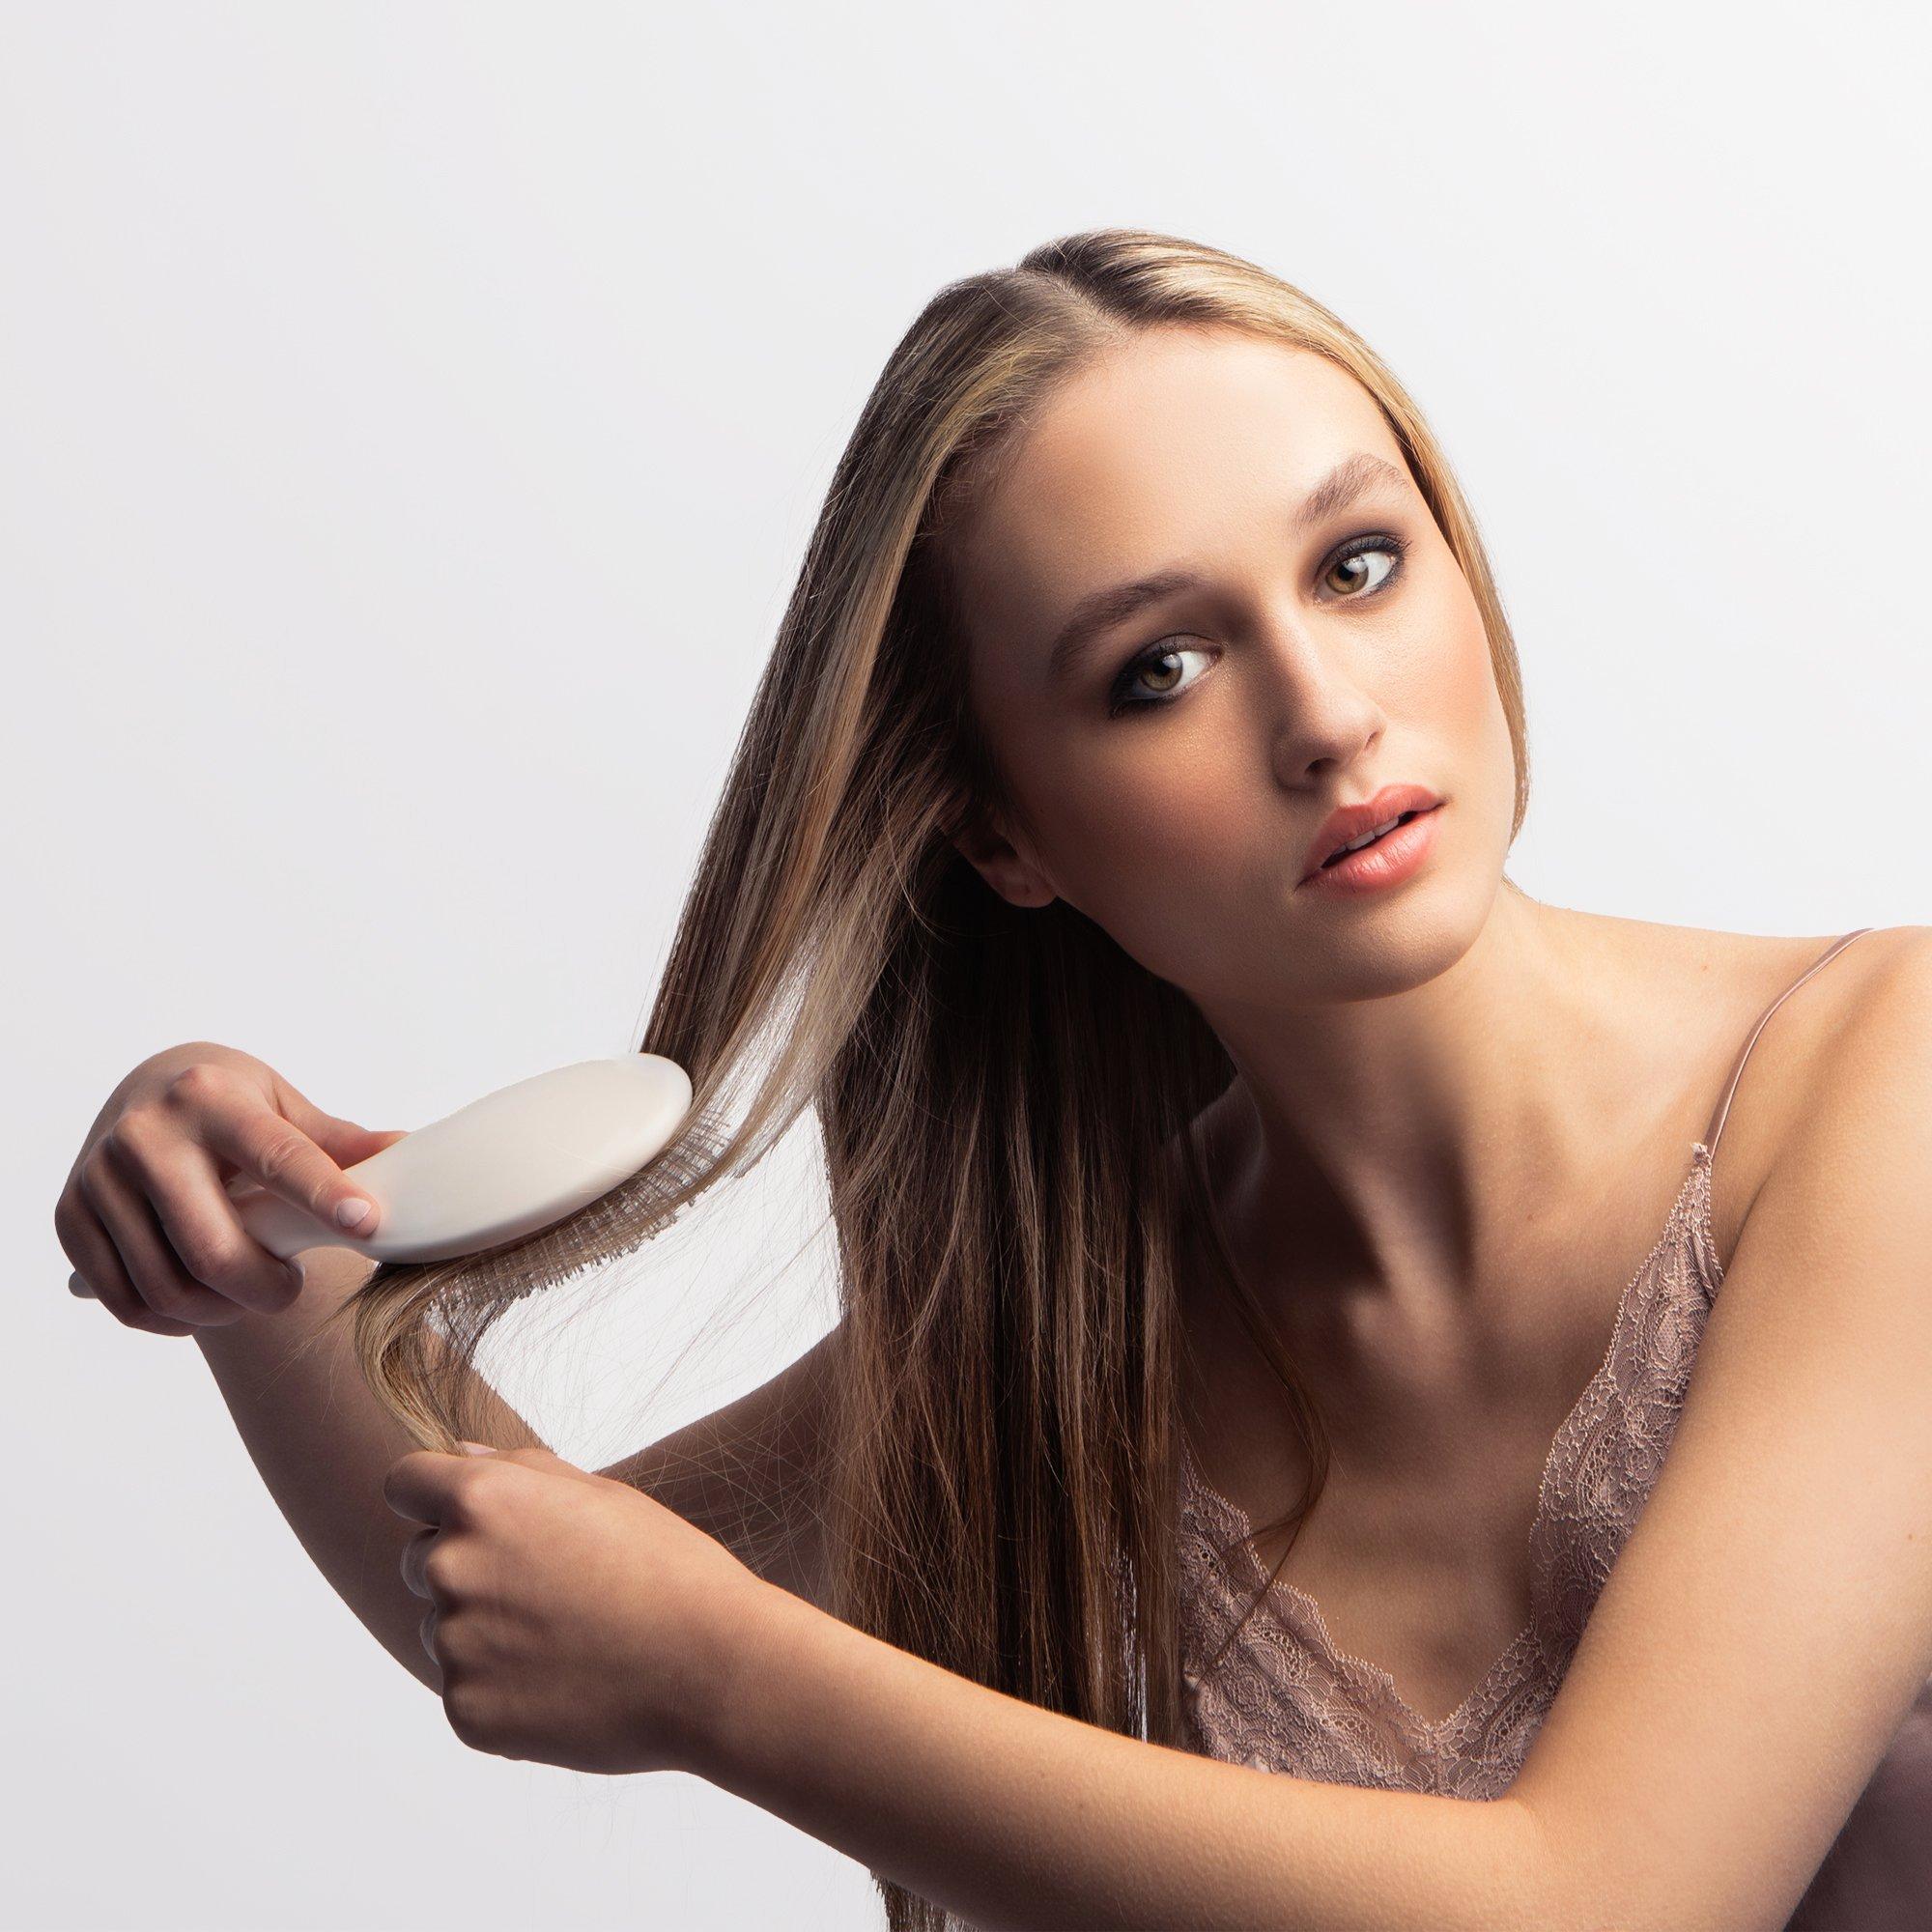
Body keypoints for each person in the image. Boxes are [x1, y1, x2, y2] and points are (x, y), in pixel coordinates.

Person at [61, 229, 1932, 1930]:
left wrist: (727, 1686)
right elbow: (519, 1590)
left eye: (1358, 565)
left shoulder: (1882, 1078)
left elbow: (1615, 1901)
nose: (1327, 714)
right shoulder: (1083, 1323)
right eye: (1158, 668)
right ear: (1002, 835)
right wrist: (257, 1243)